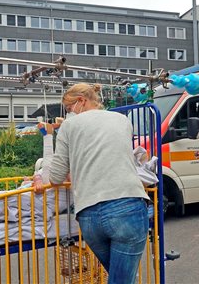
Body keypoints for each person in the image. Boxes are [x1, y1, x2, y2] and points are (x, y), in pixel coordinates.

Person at [45, 83, 150, 284]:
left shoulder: (69, 126)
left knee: (121, 277)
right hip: (127, 206)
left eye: (69, 108)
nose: (69, 113)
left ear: (81, 101)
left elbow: (55, 177)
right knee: (122, 278)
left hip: (89, 216)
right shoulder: (123, 120)